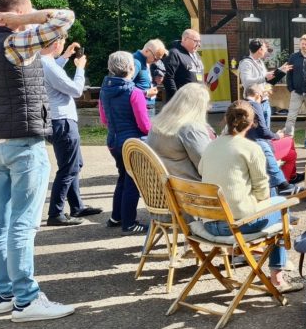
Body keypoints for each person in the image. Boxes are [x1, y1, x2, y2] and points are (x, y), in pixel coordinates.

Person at [0, 0, 76, 321]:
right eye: (27, 9)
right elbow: (64, 17)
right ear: (14, 13)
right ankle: (26, 299)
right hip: (23, 143)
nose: (33, 13)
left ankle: (5, 294)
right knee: (22, 223)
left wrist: (17, 18)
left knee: (0, 223)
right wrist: (24, 20)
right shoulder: (14, 44)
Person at [199, 101, 301, 292]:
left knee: (273, 208)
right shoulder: (252, 148)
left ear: (226, 119)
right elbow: (262, 192)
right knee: (281, 207)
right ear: (252, 123)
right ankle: (277, 278)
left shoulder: (211, 146)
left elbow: (201, 171)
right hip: (236, 225)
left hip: (208, 222)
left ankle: (247, 253)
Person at [40, 37, 101, 226]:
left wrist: (66, 56)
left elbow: (54, 70)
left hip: (54, 119)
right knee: (69, 168)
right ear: (55, 43)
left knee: (74, 163)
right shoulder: (48, 66)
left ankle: (76, 206)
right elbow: (75, 90)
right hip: (62, 121)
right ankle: (55, 213)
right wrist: (80, 68)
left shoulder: (42, 61)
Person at [99, 51, 151, 235]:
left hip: (113, 141)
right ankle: (129, 222)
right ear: (130, 68)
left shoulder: (104, 90)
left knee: (122, 177)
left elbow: (104, 119)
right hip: (132, 143)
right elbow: (144, 126)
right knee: (133, 182)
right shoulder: (134, 92)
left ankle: (116, 216)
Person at [147, 83, 215, 181]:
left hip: (163, 188)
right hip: (190, 190)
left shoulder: (158, 123)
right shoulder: (190, 128)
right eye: (207, 103)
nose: (209, 107)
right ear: (199, 105)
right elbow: (207, 166)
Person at [241, 84, 299, 193]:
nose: (265, 98)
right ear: (258, 95)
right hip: (258, 143)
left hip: (246, 142)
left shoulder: (240, 104)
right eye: (264, 95)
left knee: (291, 154)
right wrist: (278, 135)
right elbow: (263, 131)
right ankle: (284, 183)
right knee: (290, 143)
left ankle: (288, 179)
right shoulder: (255, 105)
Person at [280, 34, 306, 137]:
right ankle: (288, 140)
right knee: (291, 117)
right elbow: (289, 74)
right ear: (300, 44)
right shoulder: (293, 57)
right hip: (297, 93)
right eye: (303, 44)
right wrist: (291, 89)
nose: (304, 46)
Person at [163, 29, 204, 101]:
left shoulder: (196, 54)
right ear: (185, 39)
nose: (199, 44)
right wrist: (176, 98)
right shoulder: (174, 53)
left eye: (199, 41)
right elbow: (168, 78)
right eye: (196, 41)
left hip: (197, 100)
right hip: (181, 102)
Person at [132, 39, 167, 116]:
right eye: (155, 58)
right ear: (147, 51)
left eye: (158, 59)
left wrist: (155, 80)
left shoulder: (146, 61)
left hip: (147, 105)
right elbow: (125, 86)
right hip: (140, 107)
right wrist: (146, 93)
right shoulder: (136, 62)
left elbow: (142, 80)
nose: (156, 61)